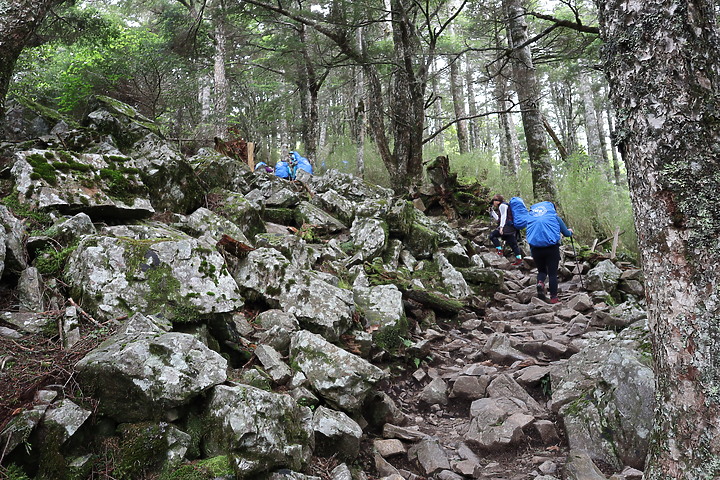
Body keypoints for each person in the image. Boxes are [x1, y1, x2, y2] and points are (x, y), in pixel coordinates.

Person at [526, 201, 573, 304]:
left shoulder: (532, 219)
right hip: (552, 249)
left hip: (536, 249)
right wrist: (570, 232)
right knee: (552, 274)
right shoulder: (555, 218)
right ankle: (554, 298)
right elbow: (566, 233)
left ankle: (540, 282)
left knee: (542, 271)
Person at [488, 194, 523, 266]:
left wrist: (501, 227)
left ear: (497, 201)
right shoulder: (504, 205)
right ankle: (519, 260)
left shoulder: (502, 206)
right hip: (510, 227)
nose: (493, 203)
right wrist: (492, 212)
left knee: (492, 236)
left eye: (493, 201)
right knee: (513, 244)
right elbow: (499, 219)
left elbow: (504, 217)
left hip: (506, 227)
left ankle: (499, 250)